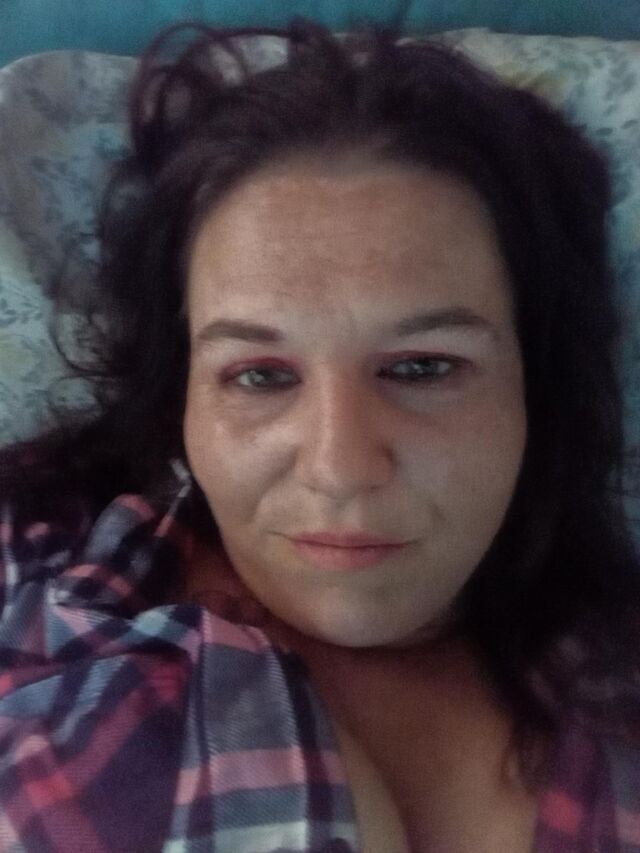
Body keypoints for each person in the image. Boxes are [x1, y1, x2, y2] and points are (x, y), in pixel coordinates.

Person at [0, 18, 639, 853]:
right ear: (178, 394)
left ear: (534, 383)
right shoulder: (33, 559)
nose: (340, 467)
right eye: (260, 375)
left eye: (423, 367)